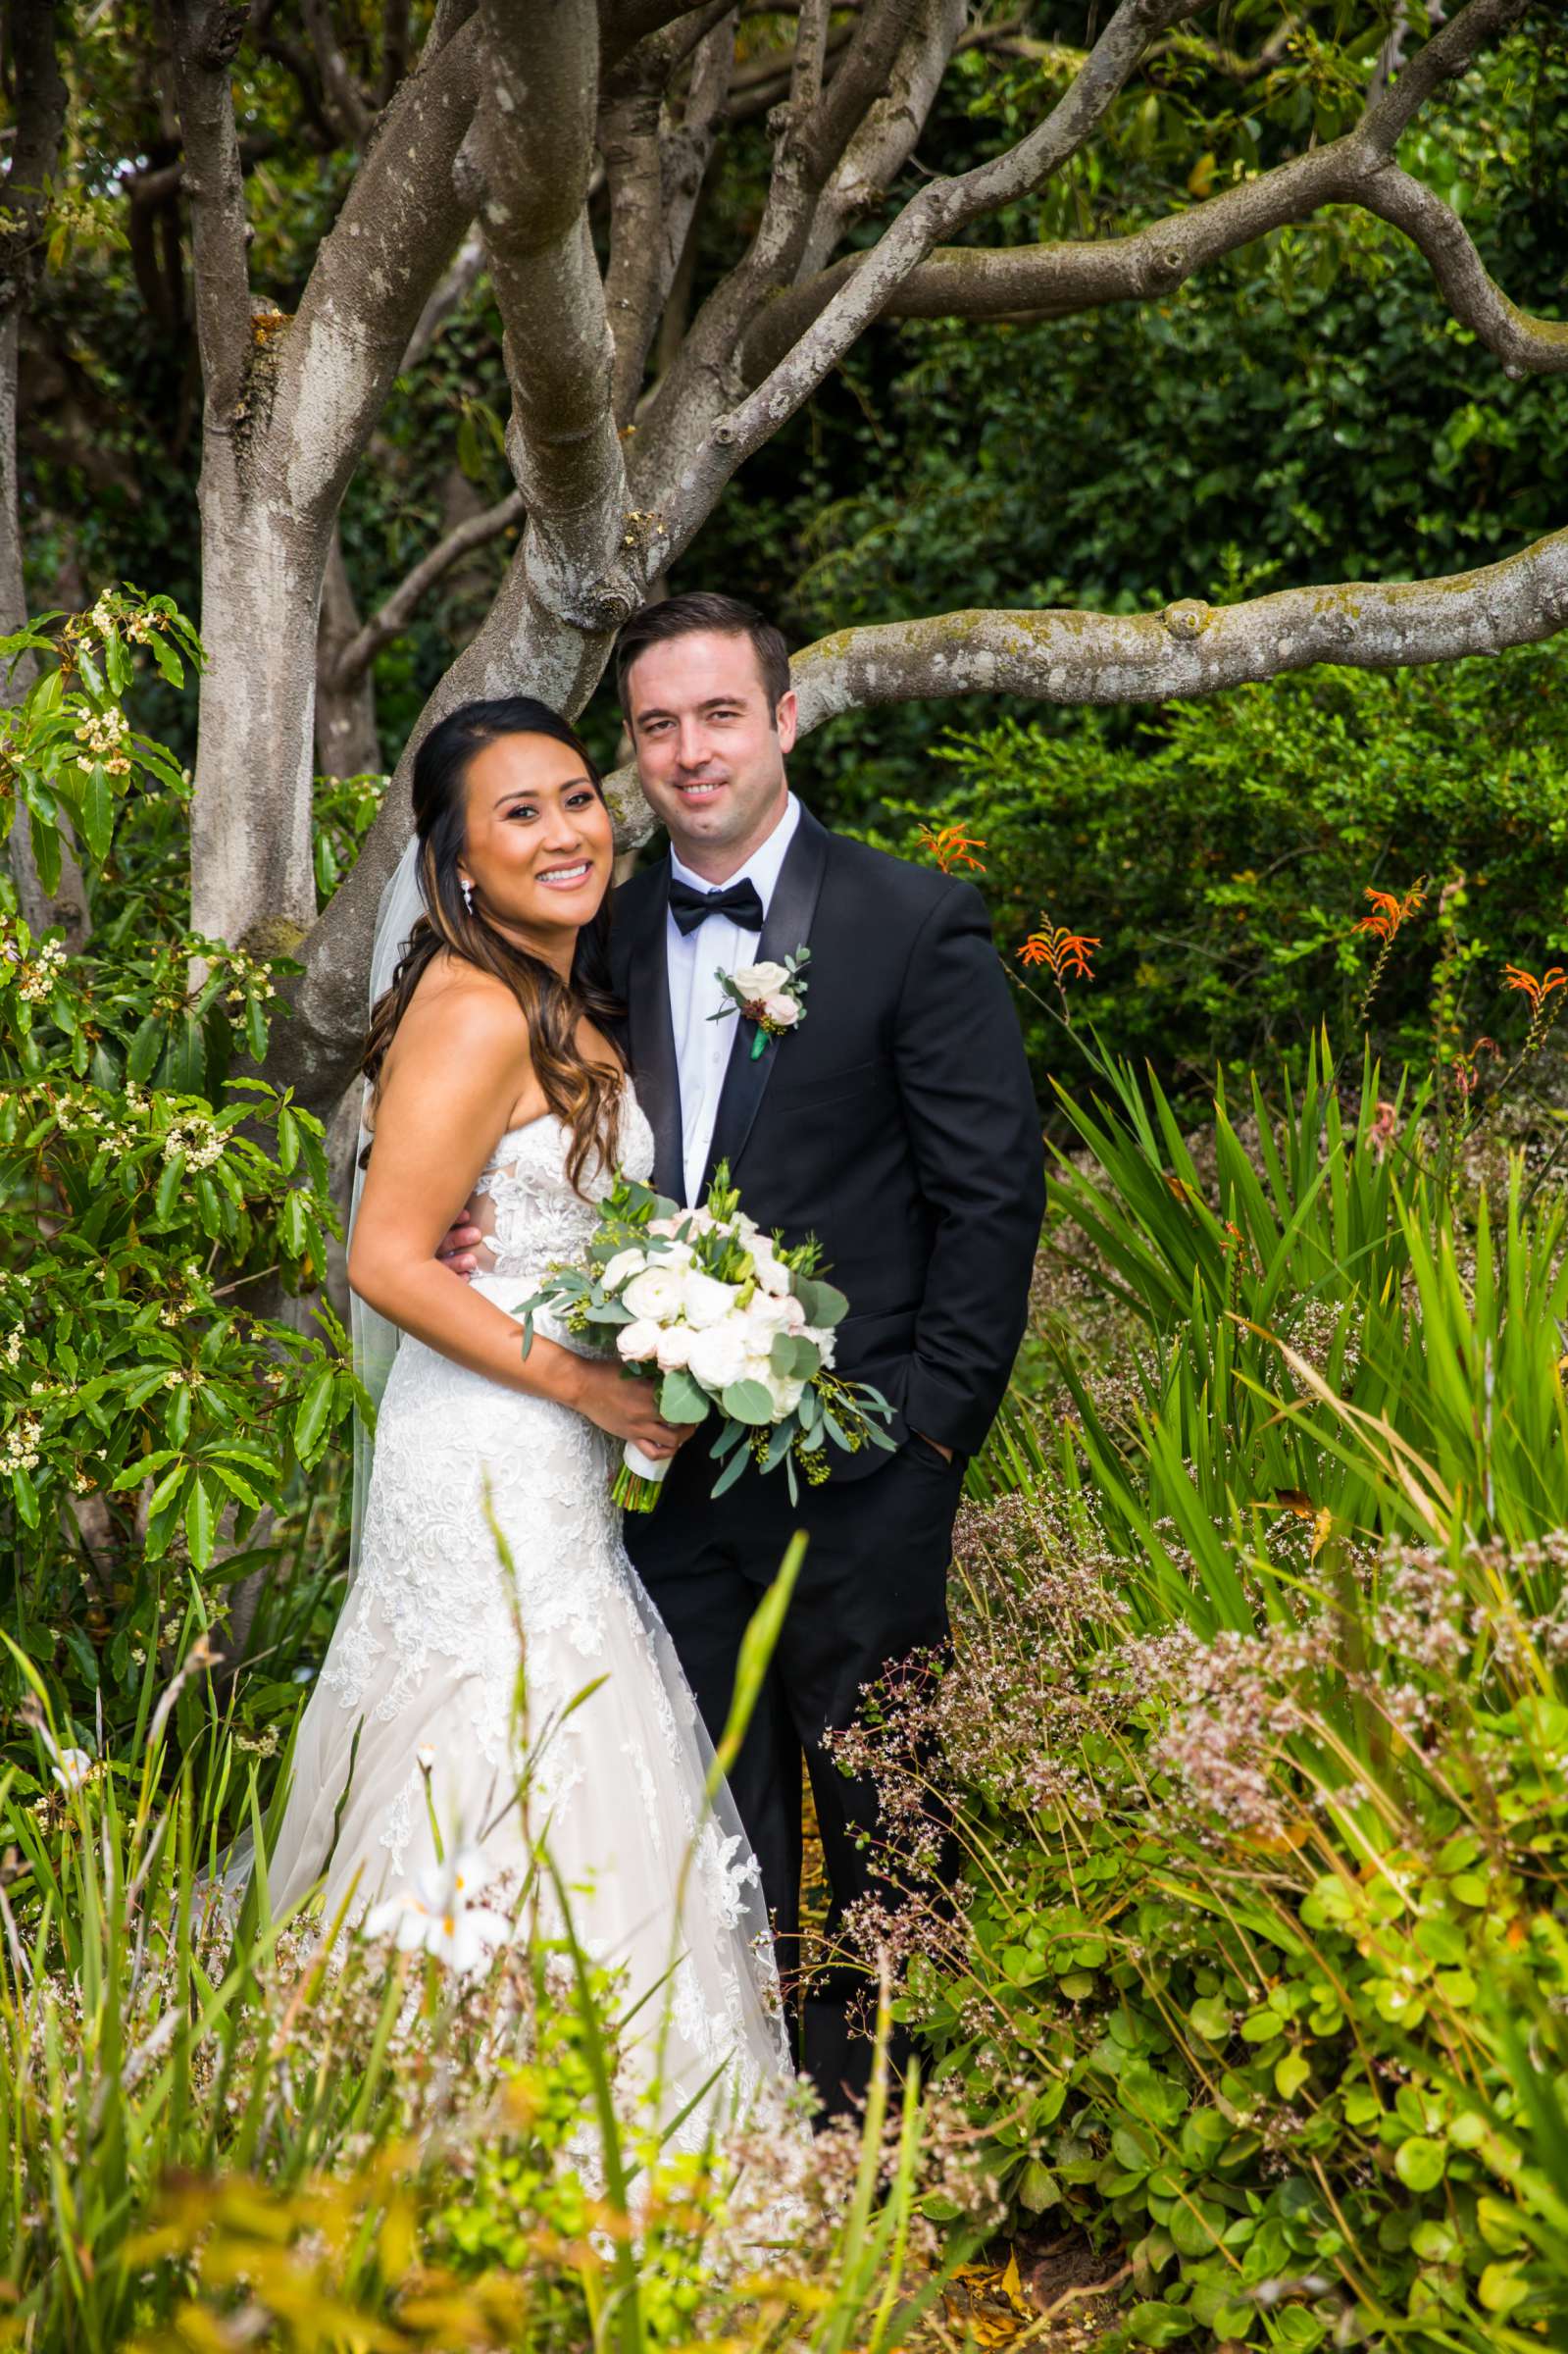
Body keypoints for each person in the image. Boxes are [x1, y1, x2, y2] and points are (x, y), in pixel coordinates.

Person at [441, 597, 1044, 2114]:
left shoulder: (913, 920)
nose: (688, 751)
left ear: (782, 720)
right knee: (711, 1826)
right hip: (662, 1477)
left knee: (888, 1814)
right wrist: (474, 1233)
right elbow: (535, 1130)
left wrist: (931, 1441)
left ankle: (907, 2135)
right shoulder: (600, 932)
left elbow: (991, 1198)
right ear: (633, 752)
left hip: (863, 1470)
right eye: (655, 727)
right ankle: (765, 2116)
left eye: (719, 715)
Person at [263, 694, 794, 2155]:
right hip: (488, 1448)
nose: (567, 832)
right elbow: (385, 1257)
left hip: (546, 1453)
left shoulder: (565, 990)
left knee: (565, 1758)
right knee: (498, 1754)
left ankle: (553, 2150)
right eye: (520, 813)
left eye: (576, 796)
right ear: (455, 864)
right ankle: (461, 2153)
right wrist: (588, 1382)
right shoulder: (477, 1003)